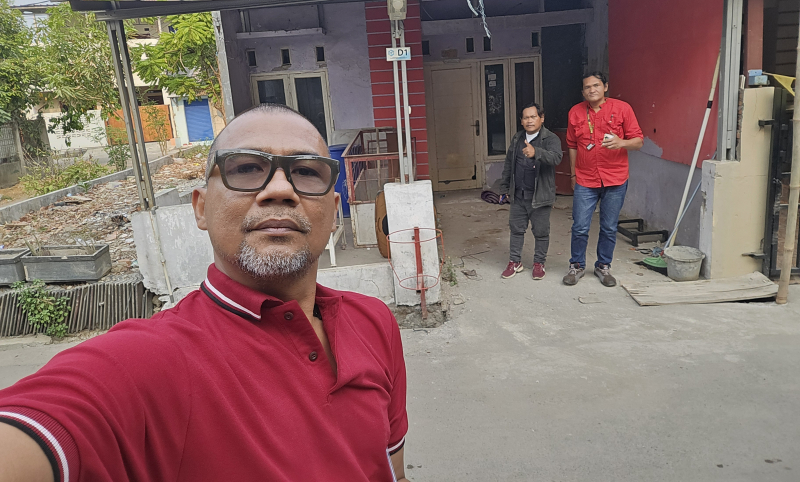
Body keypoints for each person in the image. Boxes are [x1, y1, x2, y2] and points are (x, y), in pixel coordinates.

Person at [0, 104, 410, 482]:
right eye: (246, 168)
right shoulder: (151, 361)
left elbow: (392, 471)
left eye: (305, 172)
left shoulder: (374, 322)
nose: (280, 189)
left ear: (334, 211)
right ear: (200, 208)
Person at [563, 72, 643, 287]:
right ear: (583, 91)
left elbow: (638, 141)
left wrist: (621, 143)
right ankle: (576, 266)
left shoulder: (622, 108)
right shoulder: (575, 112)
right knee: (580, 226)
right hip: (585, 179)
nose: (592, 90)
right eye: (587, 87)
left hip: (615, 179)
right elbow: (572, 145)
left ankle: (603, 266)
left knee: (608, 227)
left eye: (596, 85)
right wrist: (573, 174)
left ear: (605, 87)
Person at [498, 102, 563, 280]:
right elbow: (509, 163)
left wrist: (536, 152)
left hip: (540, 195)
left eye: (533, 117)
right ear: (521, 121)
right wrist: (504, 187)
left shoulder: (550, 139)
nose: (529, 121)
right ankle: (515, 262)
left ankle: (539, 263)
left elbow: (556, 158)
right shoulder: (517, 138)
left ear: (541, 118)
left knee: (541, 232)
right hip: (519, 194)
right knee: (516, 229)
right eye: (525, 117)